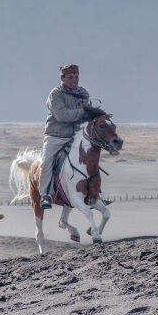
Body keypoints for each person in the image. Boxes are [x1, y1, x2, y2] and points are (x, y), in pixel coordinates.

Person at [40, 64, 102, 209]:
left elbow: (87, 115)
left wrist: (98, 115)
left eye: (76, 76)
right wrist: (85, 112)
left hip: (76, 136)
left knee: (92, 159)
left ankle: (95, 194)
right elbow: (62, 115)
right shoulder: (55, 94)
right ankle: (46, 194)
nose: (75, 80)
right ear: (62, 78)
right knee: (46, 163)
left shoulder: (84, 93)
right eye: (70, 77)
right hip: (56, 136)